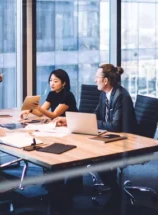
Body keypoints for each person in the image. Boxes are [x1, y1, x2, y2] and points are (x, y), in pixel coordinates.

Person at [54, 64, 137, 214]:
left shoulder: (121, 96)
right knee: (77, 151)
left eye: (97, 78)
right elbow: (96, 115)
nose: (94, 80)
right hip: (110, 137)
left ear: (105, 81)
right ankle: (67, 194)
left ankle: (114, 195)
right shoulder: (105, 94)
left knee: (91, 156)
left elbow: (116, 126)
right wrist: (70, 121)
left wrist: (92, 124)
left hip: (124, 141)